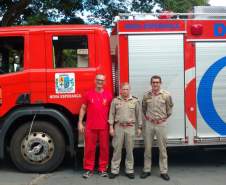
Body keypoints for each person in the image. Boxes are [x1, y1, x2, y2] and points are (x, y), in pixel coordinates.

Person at [78, 74, 112, 179]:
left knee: (104, 149)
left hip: (104, 127)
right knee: (89, 148)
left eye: (102, 80)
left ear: (105, 82)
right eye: (98, 80)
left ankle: (103, 169)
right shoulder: (88, 94)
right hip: (90, 126)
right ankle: (89, 169)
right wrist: (80, 122)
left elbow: (113, 111)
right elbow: (83, 108)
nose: (100, 82)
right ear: (95, 81)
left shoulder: (109, 95)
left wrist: (111, 125)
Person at [140, 75, 173, 181]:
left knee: (162, 149)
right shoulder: (146, 95)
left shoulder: (166, 95)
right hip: (149, 124)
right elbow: (144, 109)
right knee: (147, 148)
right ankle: (146, 170)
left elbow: (169, 110)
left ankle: (164, 171)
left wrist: (161, 119)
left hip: (161, 124)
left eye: (157, 82)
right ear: (151, 83)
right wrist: (149, 119)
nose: (155, 84)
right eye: (153, 82)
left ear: (160, 83)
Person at [108, 83, 142, 179]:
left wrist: (139, 127)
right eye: (123, 89)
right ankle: (114, 170)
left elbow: (139, 115)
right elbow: (111, 114)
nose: (125, 91)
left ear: (129, 90)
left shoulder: (135, 101)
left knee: (129, 150)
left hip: (130, 128)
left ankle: (129, 170)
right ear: (120, 90)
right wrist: (111, 127)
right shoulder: (115, 101)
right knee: (117, 149)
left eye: (127, 89)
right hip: (118, 127)